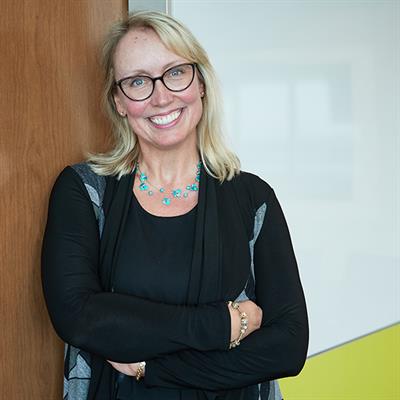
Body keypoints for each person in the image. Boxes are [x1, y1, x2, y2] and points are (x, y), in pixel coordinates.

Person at [41, 10, 309, 400]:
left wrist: (151, 367)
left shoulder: (252, 198)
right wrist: (225, 324)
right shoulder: (85, 191)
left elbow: (288, 346)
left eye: (175, 73)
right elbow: (79, 318)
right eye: (137, 82)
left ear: (200, 82)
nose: (161, 96)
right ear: (118, 101)